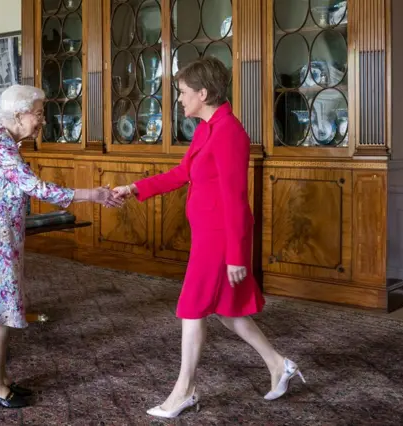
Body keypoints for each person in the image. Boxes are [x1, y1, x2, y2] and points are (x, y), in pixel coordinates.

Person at [112, 57, 305, 419]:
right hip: (207, 236)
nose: (180, 100)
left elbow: (235, 198)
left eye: (183, 93)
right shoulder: (205, 128)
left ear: (203, 93)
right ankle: (280, 364)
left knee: (192, 307)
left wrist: (236, 256)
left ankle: (183, 390)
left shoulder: (230, 131)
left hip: (221, 240)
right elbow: (183, 172)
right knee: (229, 311)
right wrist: (135, 187)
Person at [0, 84, 123, 409]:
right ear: (19, 114)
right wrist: (90, 195)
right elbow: (35, 187)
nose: (41, 121)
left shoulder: (2, 140)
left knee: (5, 307)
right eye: (38, 114)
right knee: (0, 312)